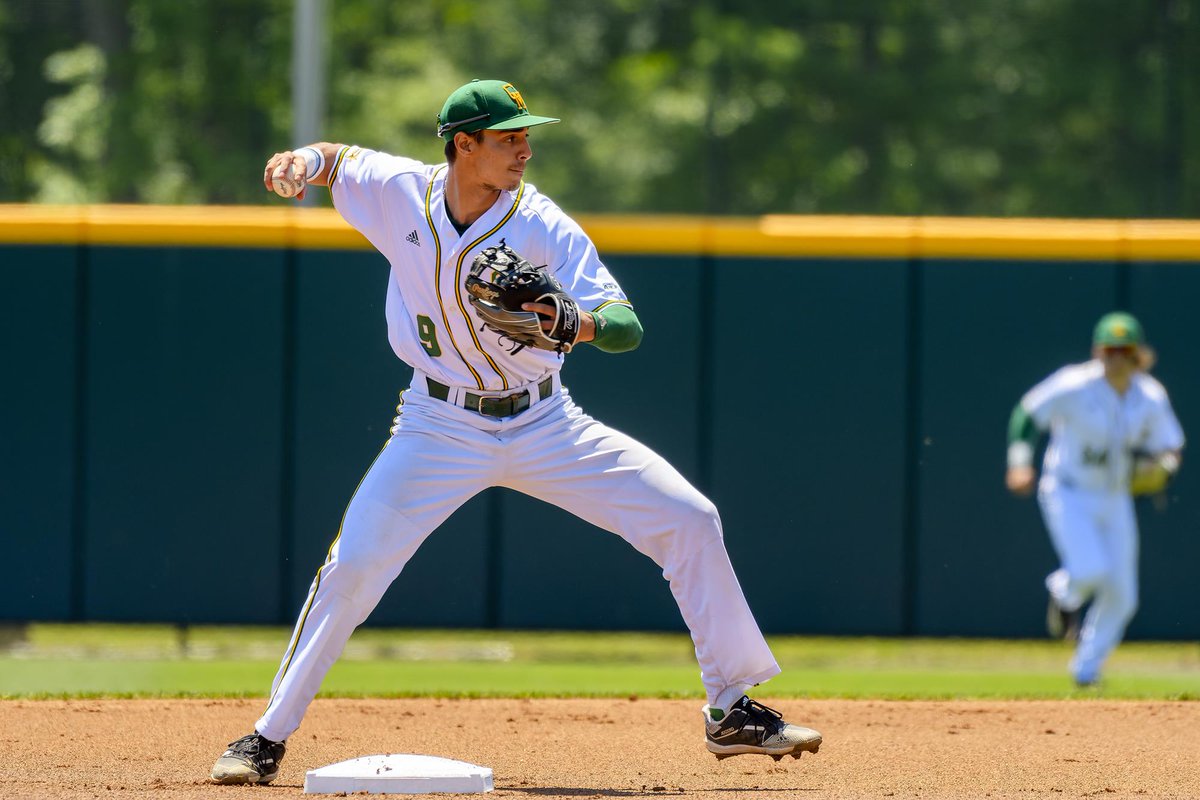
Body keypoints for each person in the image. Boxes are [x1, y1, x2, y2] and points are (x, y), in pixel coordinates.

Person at [210, 79, 821, 785]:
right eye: (509, 137)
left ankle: (731, 709)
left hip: (545, 420)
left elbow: (627, 327)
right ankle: (266, 737)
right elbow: (336, 157)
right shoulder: (400, 190)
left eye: (527, 135)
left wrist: (576, 323)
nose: (525, 149)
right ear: (463, 145)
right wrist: (300, 161)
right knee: (353, 568)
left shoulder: (543, 223)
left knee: (690, 518)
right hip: (437, 424)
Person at [1004, 311, 1184, 687]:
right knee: (1089, 570)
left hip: (1116, 496)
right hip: (1068, 489)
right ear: (1097, 351)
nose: (1116, 357)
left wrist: (1163, 467)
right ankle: (1062, 591)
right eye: (1109, 349)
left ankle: (1086, 671)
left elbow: (1170, 445)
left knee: (1123, 596)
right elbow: (1027, 413)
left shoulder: (1149, 396)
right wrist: (1019, 462)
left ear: (1138, 355)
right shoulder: (1074, 384)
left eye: (1124, 349)